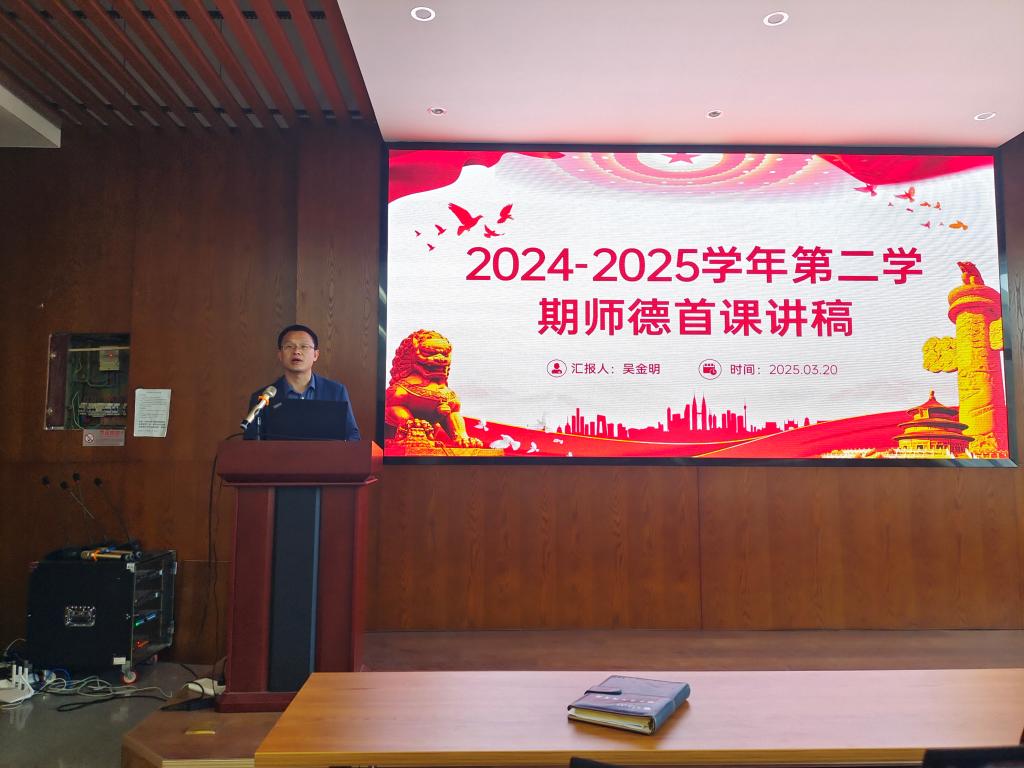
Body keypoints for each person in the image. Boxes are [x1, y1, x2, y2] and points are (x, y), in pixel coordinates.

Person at [244, 324, 360, 440]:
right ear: (280, 355)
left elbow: (352, 436)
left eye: (304, 346)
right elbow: (251, 442)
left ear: (315, 355)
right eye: (289, 346)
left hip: (326, 453)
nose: (296, 351)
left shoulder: (336, 392)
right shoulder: (262, 398)